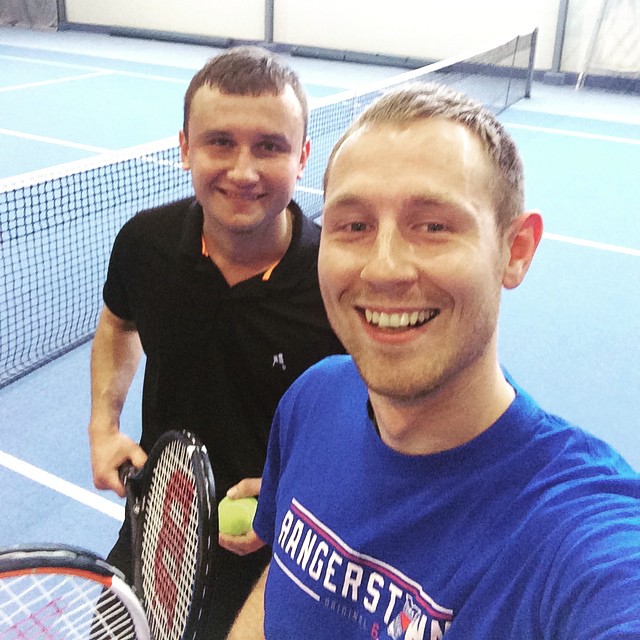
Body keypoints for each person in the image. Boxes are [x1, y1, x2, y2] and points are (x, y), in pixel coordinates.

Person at [226, 82, 640, 639]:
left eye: (434, 226)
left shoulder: (574, 532)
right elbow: (283, 574)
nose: (384, 269)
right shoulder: (313, 398)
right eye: (354, 226)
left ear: (516, 250)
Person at [88, 46, 344, 639]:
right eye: (220, 142)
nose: (243, 171)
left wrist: (293, 496)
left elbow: (378, 422)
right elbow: (118, 323)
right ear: (184, 149)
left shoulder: (337, 279)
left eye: (270, 146)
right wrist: (104, 426)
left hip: (291, 549)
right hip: (161, 523)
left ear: (303, 157)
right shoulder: (145, 244)